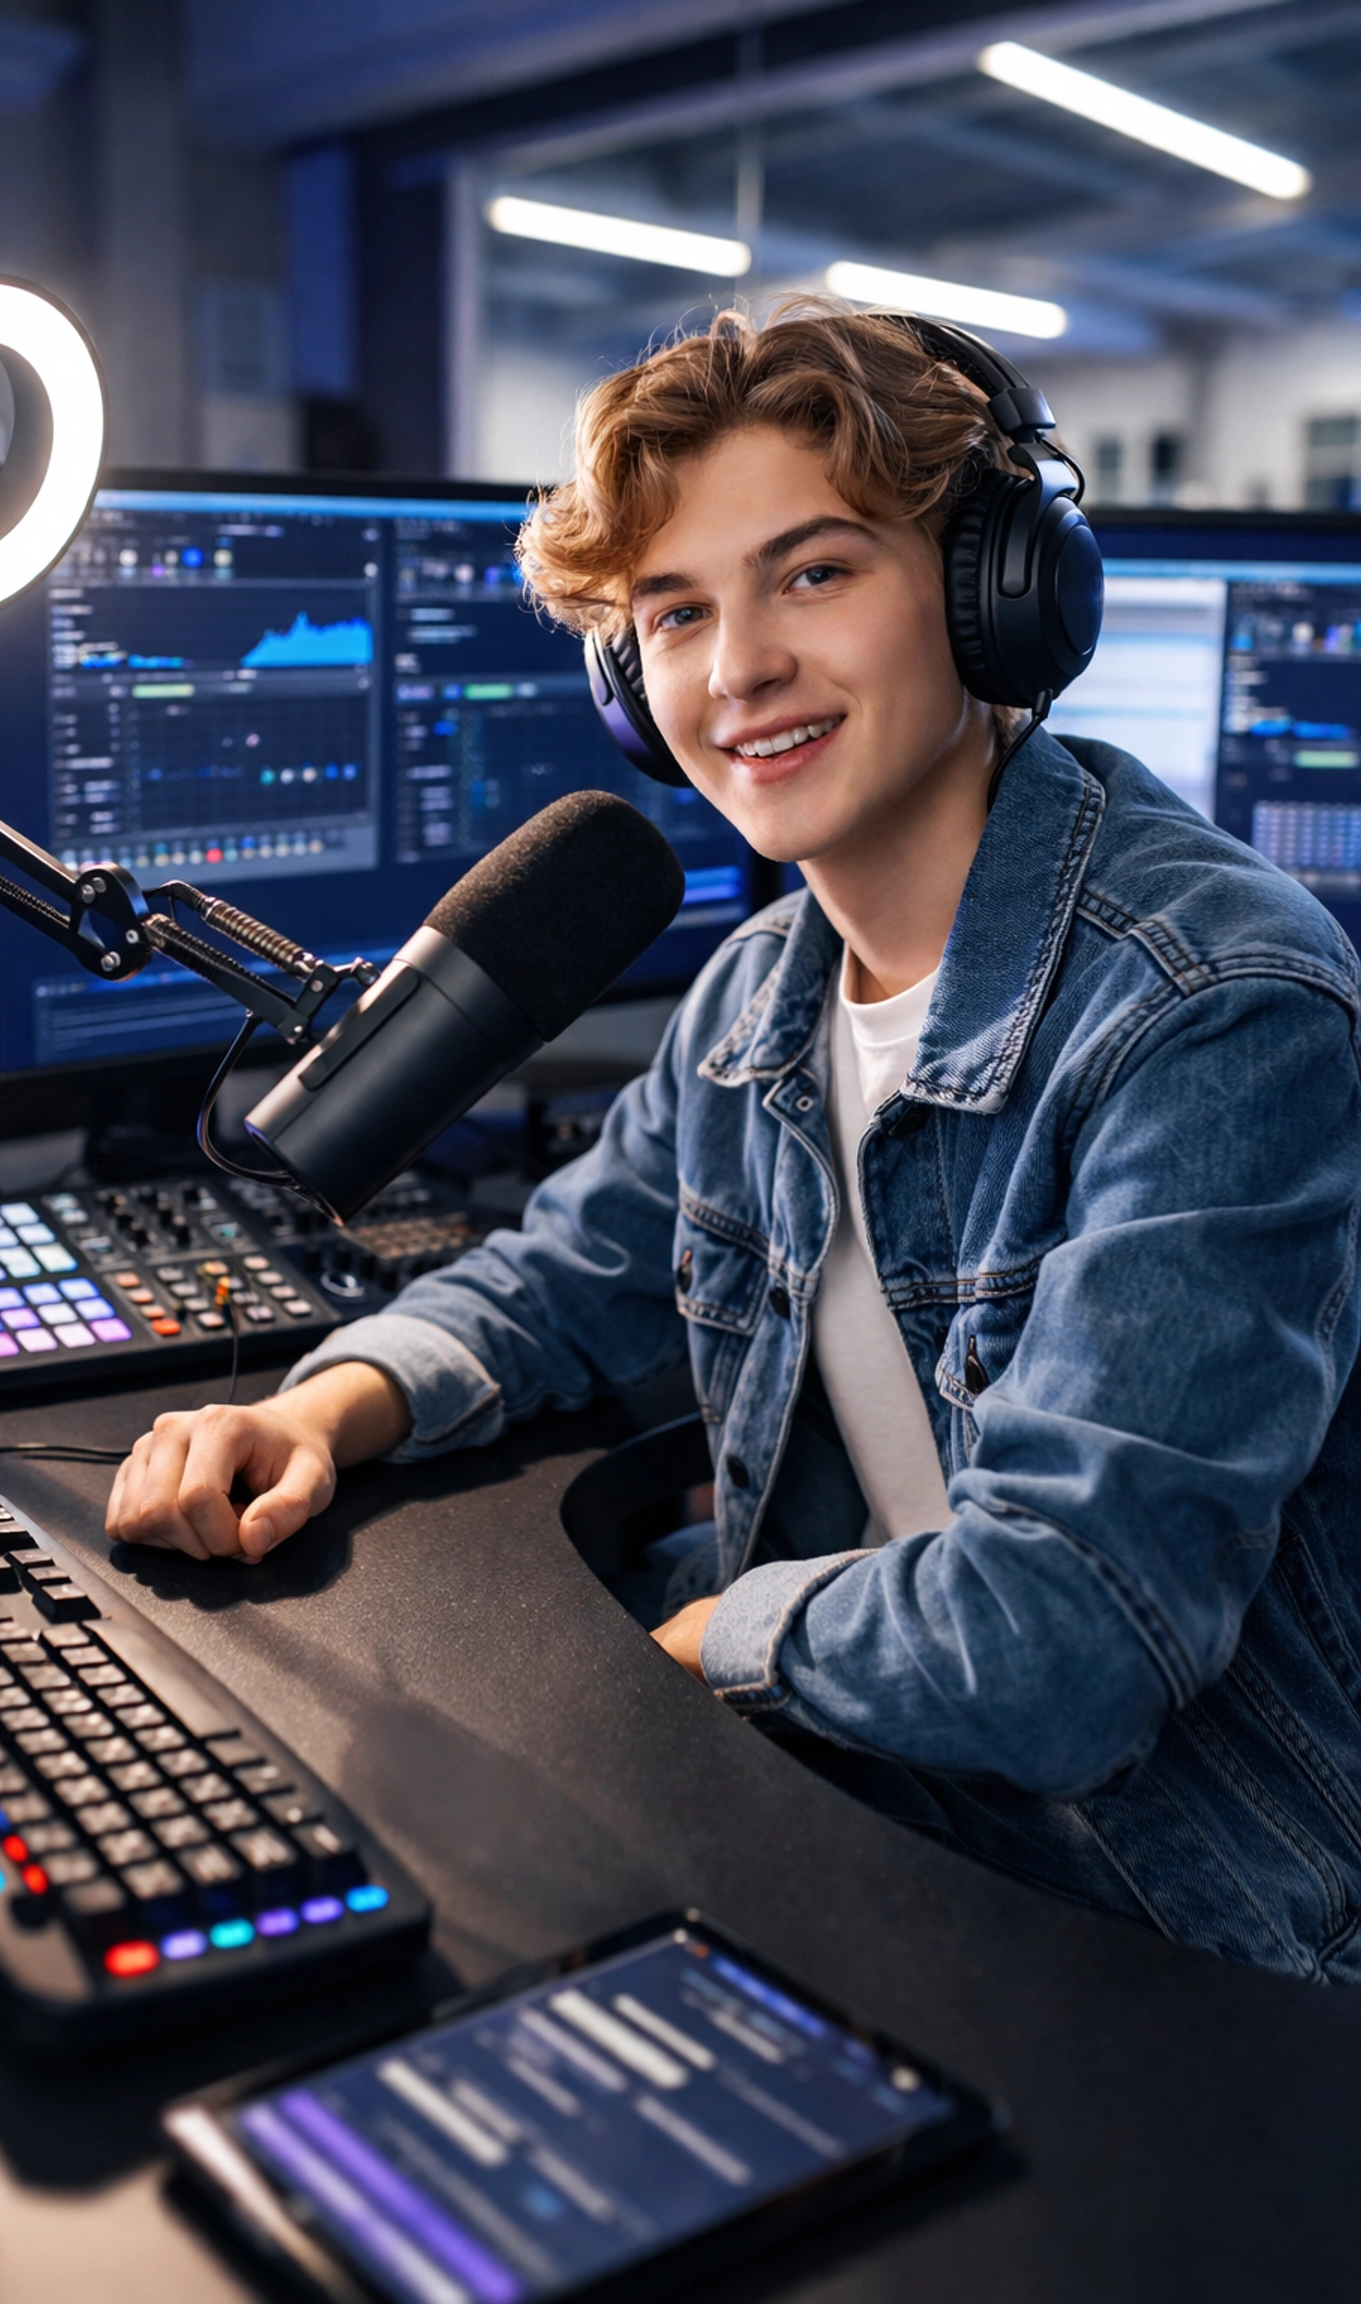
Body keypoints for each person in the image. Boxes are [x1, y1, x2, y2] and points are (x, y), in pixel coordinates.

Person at [107, 305, 1361, 1981]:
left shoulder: (1214, 1005)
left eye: (815, 573)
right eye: (676, 614)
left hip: (1177, 1906)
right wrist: (317, 1407)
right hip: (884, 1786)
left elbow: (1071, 1634)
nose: (736, 670)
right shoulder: (766, 987)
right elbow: (566, 1279)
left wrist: (703, 1644)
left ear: (996, 596)